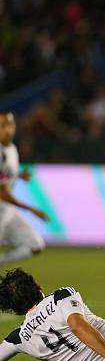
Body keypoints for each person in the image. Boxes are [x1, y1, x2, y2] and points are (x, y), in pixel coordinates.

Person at [0, 112, 49, 268]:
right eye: (3, 125)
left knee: (35, 245)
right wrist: (31, 209)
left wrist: (18, 175)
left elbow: (5, 175)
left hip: (7, 211)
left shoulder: (11, 148)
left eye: (10, 124)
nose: (8, 129)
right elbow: (2, 192)